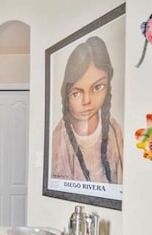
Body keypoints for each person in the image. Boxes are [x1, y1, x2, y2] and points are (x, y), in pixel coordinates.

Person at [51, 36, 123, 184]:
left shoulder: (115, 131)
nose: (87, 101)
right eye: (76, 93)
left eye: (97, 87)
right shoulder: (59, 139)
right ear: (66, 95)